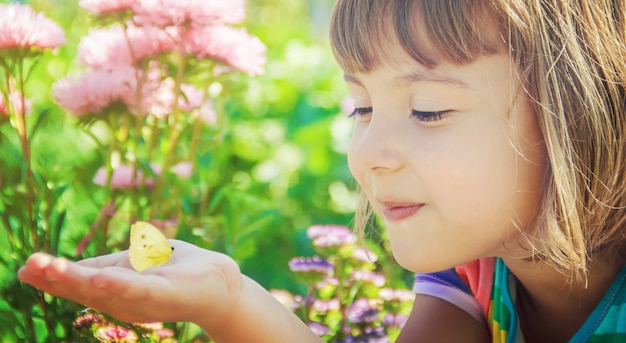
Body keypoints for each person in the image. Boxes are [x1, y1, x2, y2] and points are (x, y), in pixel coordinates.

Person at [18, 0, 626, 342]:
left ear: (580, 106)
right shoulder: (470, 265)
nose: (367, 152)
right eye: (361, 106)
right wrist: (229, 300)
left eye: (427, 110)